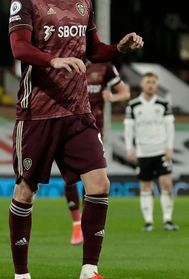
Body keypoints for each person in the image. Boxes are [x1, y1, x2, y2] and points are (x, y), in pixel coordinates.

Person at [7, 0, 143, 279]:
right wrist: (52, 61)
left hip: (79, 112)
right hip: (38, 112)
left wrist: (119, 50)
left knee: (99, 185)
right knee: (25, 191)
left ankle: (89, 269)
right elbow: (19, 48)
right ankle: (21, 274)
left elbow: (94, 51)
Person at [64, 61, 129, 245]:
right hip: (67, 126)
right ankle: (76, 224)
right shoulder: (66, 61)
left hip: (94, 129)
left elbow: (125, 93)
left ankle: (85, 223)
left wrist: (112, 97)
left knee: (92, 177)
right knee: (69, 176)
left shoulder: (105, 66)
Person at [123, 72, 178, 232]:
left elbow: (170, 127)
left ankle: (168, 219)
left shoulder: (163, 104)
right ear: (142, 83)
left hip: (161, 149)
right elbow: (128, 129)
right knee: (146, 185)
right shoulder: (133, 105)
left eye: (154, 82)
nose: (151, 85)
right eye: (148, 82)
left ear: (157, 85)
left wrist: (169, 146)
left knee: (166, 183)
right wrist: (129, 148)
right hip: (143, 151)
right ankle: (149, 221)